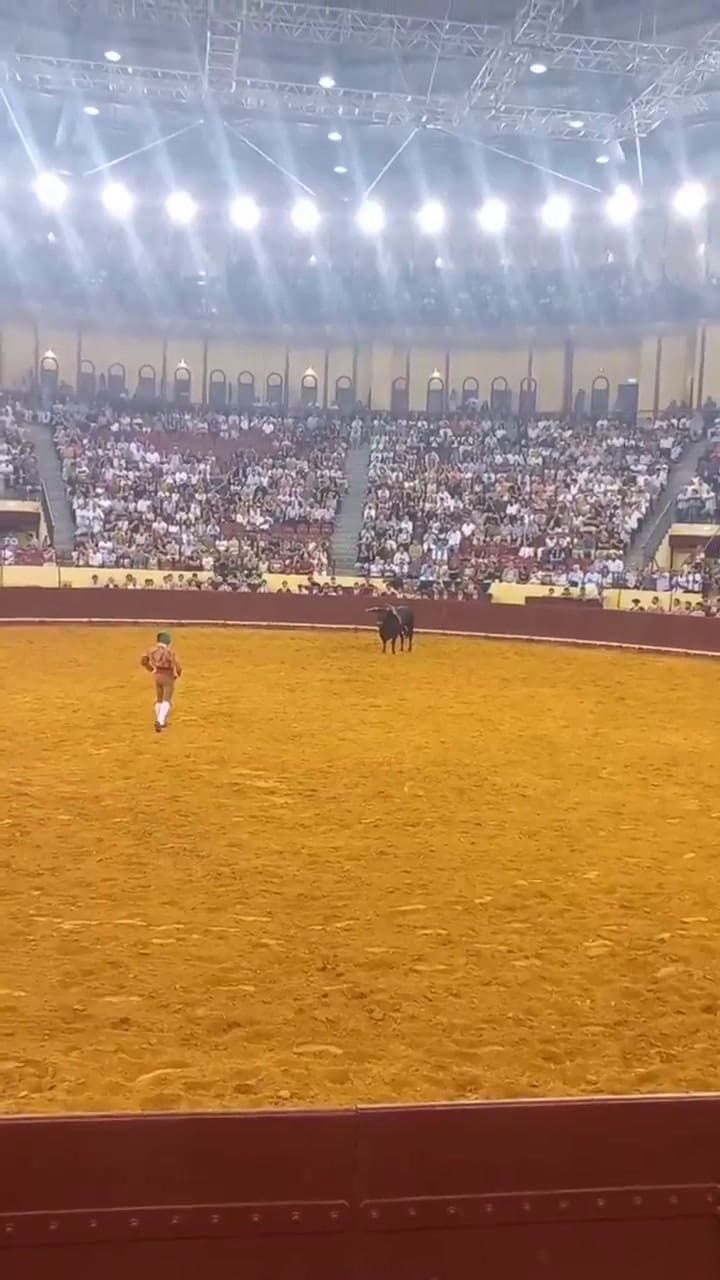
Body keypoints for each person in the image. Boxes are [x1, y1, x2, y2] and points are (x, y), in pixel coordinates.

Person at [140, 631, 182, 733]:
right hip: (167, 676)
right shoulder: (169, 653)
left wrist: (152, 669)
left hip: (157, 676)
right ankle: (160, 721)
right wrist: (177, 675)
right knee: (166, 699)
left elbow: (143, 661)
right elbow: (178, 667)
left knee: (159, 699)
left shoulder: (151, 650)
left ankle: (160, 719)